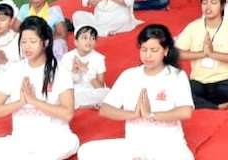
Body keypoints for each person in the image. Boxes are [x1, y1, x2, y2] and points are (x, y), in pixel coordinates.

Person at [0, 17, 79, 160]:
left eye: (32, 42)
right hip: (20, 141)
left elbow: (68, 114)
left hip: (54, 139)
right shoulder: (15, 70)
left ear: (45, 42)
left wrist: (34, 101)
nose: (26, 47)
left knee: (71, 142)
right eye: (23, 41)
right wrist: (20, 102)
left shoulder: (59, 71)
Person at [77, 24, 194, 160]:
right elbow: (105, 109)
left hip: (168, 145)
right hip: (134, 146)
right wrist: (134, 114)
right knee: (86, 151)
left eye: (154, 50)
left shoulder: (176, 76)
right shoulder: (129, 75)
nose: (148, 55)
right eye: (144, 50)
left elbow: (186, 111)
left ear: (166, 50)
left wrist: (151, 115)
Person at [175, 0, 228, 110]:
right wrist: (202, 53)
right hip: (199, 82)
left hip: (225, 81)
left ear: (222, 6)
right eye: (204, 3)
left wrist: (212, 54)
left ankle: (197, 102)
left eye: (213, 3)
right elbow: (176, 53)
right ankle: (216, 106)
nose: (208, 7)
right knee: (180, 88)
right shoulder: (193, 27)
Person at [59, 26, 108, 108]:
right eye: (85, 38)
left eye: (92, 38)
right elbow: (63, 84)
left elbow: (100, 87)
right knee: (63, 94)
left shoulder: (99, 58)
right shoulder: (67, 57)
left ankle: (82, 104)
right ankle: (89, 105)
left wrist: (85, 69)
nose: (89, 41)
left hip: (92, 90)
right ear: (76, 42)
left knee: (106, 93)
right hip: (74, 90)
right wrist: (74, 71)